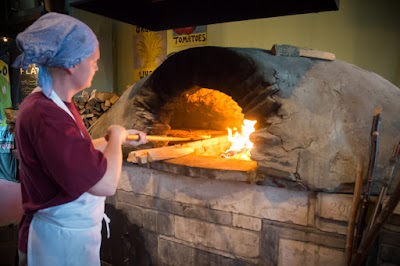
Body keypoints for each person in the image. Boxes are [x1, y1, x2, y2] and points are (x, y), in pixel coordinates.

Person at [12, 12, 147, 266]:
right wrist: (116, 137)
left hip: (70, 239)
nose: (97, 66)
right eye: (93, 60)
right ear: (72, 64)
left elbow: (75, 153)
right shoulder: (46, 114)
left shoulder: (58, 104)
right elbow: (105, 185)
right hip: (54, 245)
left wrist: (114, 141)